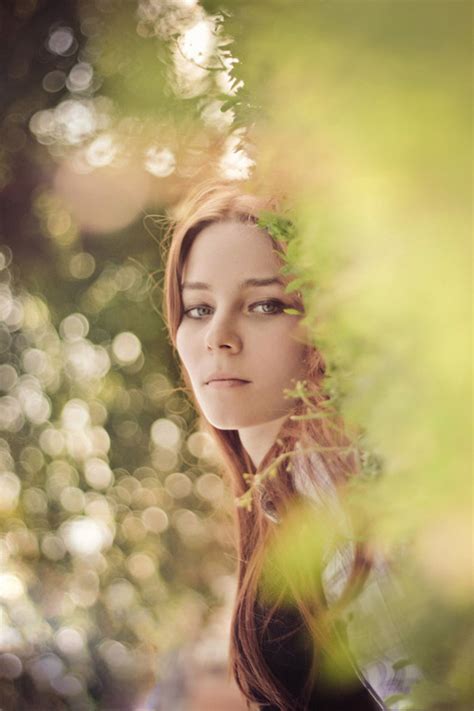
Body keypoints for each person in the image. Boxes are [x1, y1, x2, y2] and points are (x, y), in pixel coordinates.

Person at [161, 181, 421, 711]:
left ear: (324, 327)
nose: (219, 337)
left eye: (265, 305)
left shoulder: (339, 492)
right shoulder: (277, 500)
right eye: (199, 308)